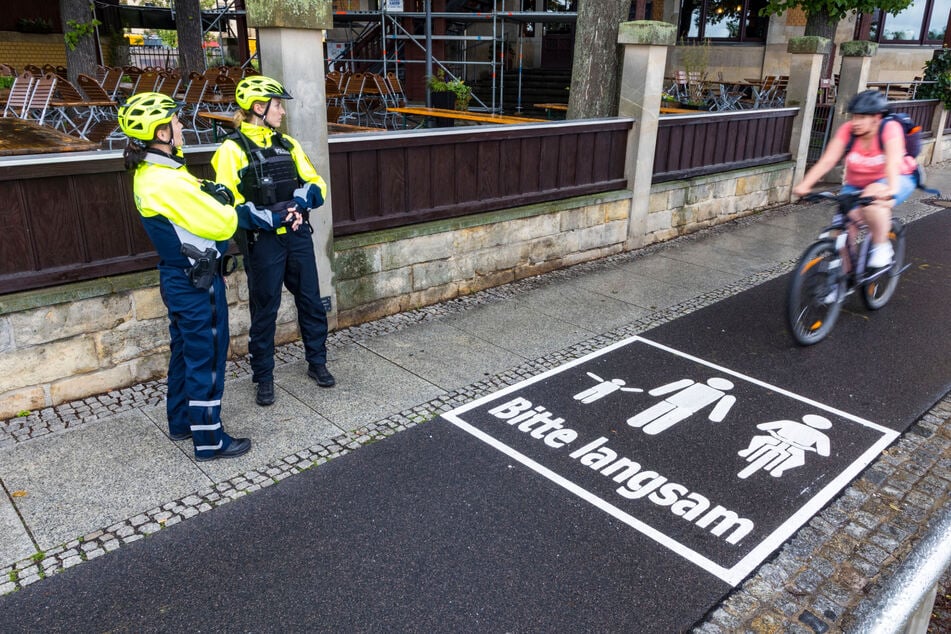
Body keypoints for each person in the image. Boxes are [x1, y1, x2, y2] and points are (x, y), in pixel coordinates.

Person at [117, 92, 251, 461]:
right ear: (160, 132)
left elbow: (196, 205)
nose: (181, 126)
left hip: (181, 278)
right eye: (175, 122)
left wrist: (211, 193)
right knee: (205, 359)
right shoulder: (165, 180)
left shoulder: (158, 170)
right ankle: (210, 440)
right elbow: (225, 223)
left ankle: (181, 422)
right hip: (196, 284)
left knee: (184, 354)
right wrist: (223, 203)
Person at [211, 75, 335, 407]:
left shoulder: (287, 144)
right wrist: (272, 218)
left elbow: (317, 185)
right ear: (258, 107)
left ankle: (317, 362)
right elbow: (229, 204)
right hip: (263, 244)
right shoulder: (231, 150)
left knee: (310, 301)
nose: (282, 111)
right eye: (277, 105)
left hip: (297, 237)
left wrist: (299, 204)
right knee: (265, 311)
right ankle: (263, 378)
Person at [792, 89, 919, 269]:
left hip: (898, 178)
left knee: (873, 203)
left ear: (876, 117)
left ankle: (882, 247)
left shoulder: (890, 129)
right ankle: (841, 282)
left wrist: (890, 189)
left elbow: (892, 162)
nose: (855, 122)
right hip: (856, 184)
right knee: (840, 234)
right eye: (854, 117)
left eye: (861, 117)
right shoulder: (848, 131)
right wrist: (805, 185)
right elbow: (828, 160)